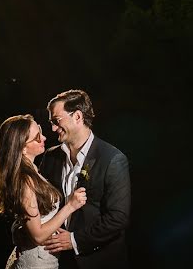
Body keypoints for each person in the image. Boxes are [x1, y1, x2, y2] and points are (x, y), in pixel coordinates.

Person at [38, 89, 131, 269]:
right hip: (58, 261)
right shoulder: (50, 158)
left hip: (100, 261)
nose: (53, 129)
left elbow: (118, 218)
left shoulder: (112, 159)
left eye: (56, 121)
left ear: (78, 117)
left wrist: (74, 240)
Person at [0, 114, 88, 269]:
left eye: (40, 131)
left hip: (45, 258)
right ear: (22, 147)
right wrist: (70, 206)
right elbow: (38, 236)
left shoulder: (33, 170)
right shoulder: (24, 180)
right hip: (36, 263)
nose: (43, 137)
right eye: (37, 137)